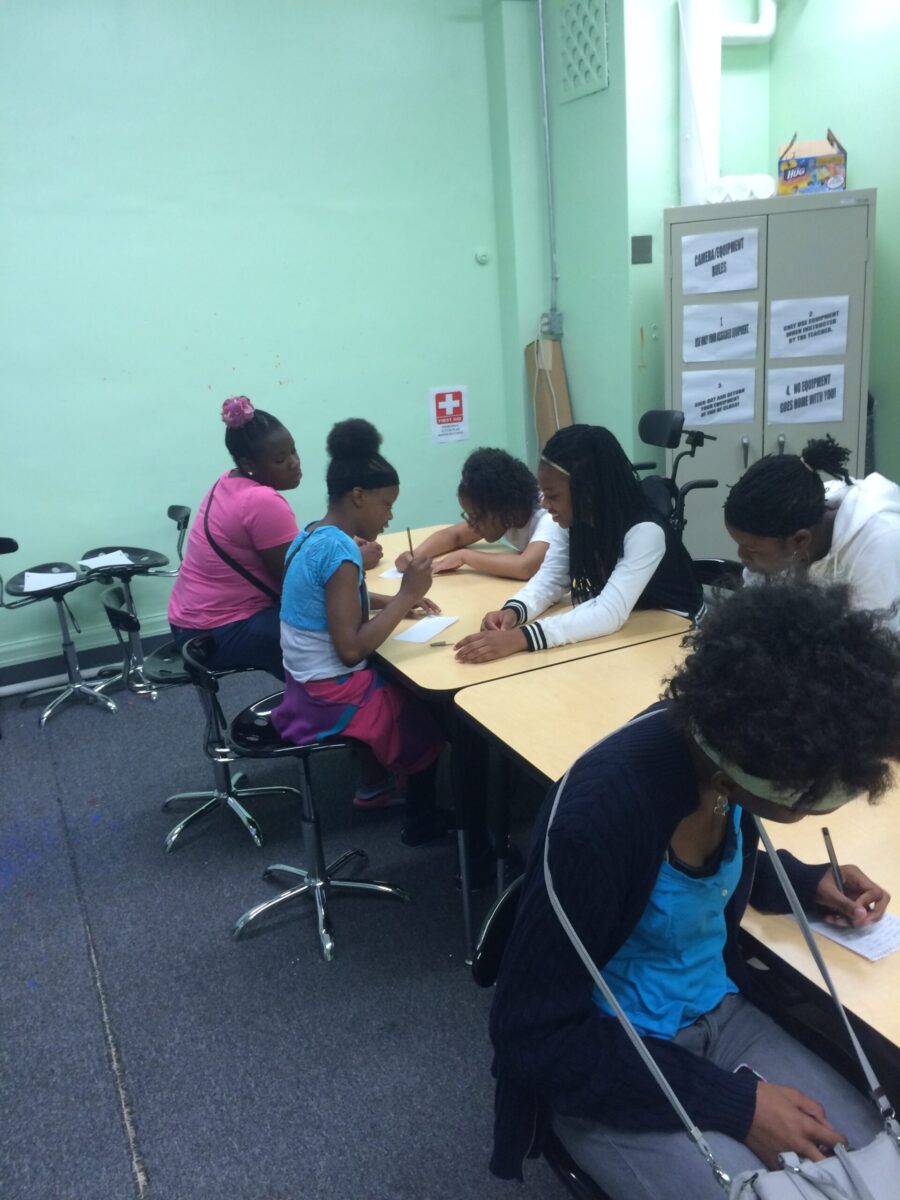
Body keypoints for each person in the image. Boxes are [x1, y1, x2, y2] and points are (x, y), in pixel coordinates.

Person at [489, 580, 900, 1197]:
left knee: (878, 1166)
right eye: (814, 791)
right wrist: (737, 1106)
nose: (825, 804)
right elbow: (531, 1034)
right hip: (611, 1053)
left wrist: (805, 881)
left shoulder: (721, 761)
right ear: (754, 765)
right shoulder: (598, 820)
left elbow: (682, 881)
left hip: (721, 1011)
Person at [271, 418, 449, 845]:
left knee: (399, 679)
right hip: (327, 693)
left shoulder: (311, 534)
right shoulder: (342, 549)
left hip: (301, 683)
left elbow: (332, 604)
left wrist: (391, 603)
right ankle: (422, 822)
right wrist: (406, 595)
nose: (391, 515)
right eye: (387, 504)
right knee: (426, 705)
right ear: (358, 496)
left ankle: (377, 784)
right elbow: (350, 650)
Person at [455, 424, 703, 663]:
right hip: (631, 629)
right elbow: (551, 580)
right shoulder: (574, 521)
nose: (544, 504)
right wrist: (513, 612)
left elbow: (608, 614)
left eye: (552, 495)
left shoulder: (646, 531)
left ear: (588, 490)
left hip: (676, 634)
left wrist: (521, 638)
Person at [168, 397, 303, 678]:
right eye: (280, 459)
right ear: (249, 464)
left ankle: (309, 708)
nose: (293, 463)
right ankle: (315, 714)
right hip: (212, 634)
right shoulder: (262, 500)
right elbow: (299, 586)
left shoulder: (228, 480)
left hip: (188, 623)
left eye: (294, 452)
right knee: (326, 635)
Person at [724, 434, 900, 634]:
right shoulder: (792, 517)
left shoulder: (882, 542)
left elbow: (879, 650)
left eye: (751, 549)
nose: (741, 555)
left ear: (800, 540)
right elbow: (751, 612)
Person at [393, 447, 553, 580]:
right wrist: (415, 557)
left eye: (475, 517)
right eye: (468, 516)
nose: (471, 525)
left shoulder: (549, 517)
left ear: (504, 508)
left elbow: (524, 567)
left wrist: (464, 556)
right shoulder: (504, 513)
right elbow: (455, 536)